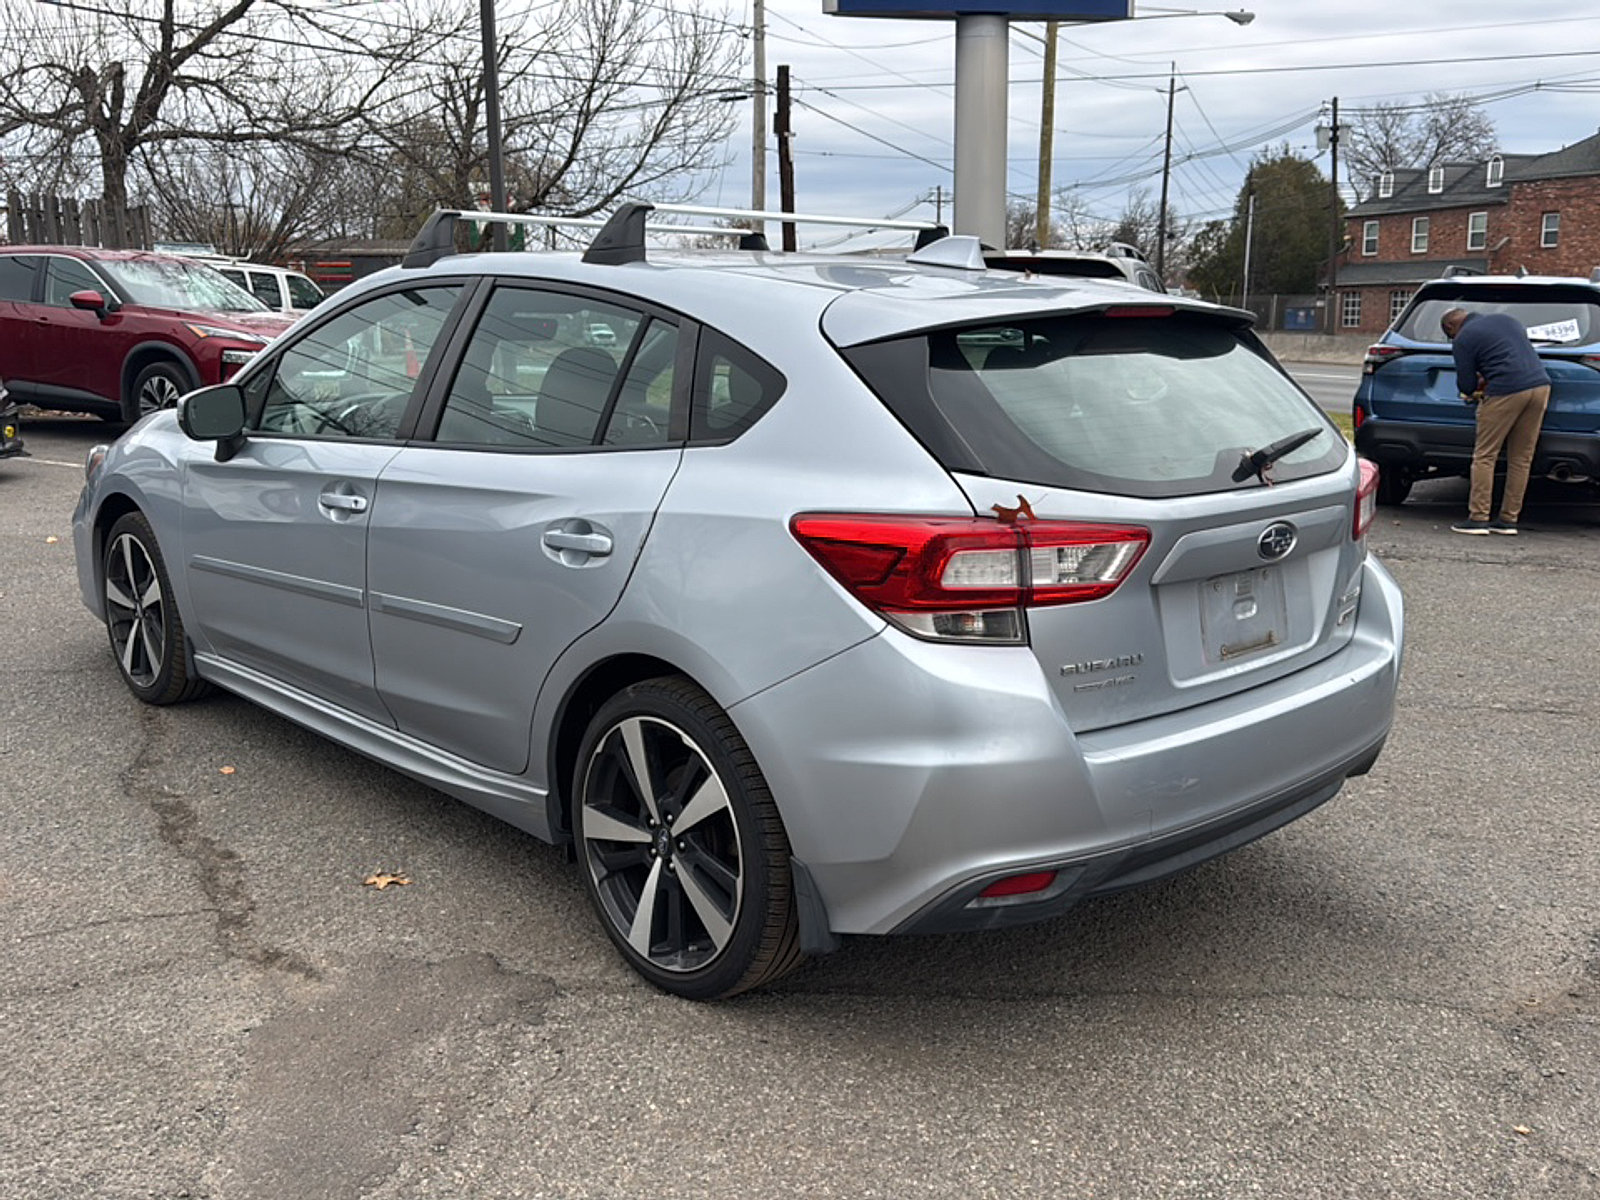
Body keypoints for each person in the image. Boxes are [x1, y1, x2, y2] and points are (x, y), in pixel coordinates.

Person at [1440, 307, 1551, 535]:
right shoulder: (1507, 319)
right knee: (1521, 458)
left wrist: (1476, 385)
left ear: (1451, 327)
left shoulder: (1464, 338)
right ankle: (1508, 520)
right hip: (1540, 387)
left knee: (1485, 456)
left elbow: (1467, 385)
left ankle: (1478, 518)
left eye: (1449, 335)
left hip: (1505, 391)